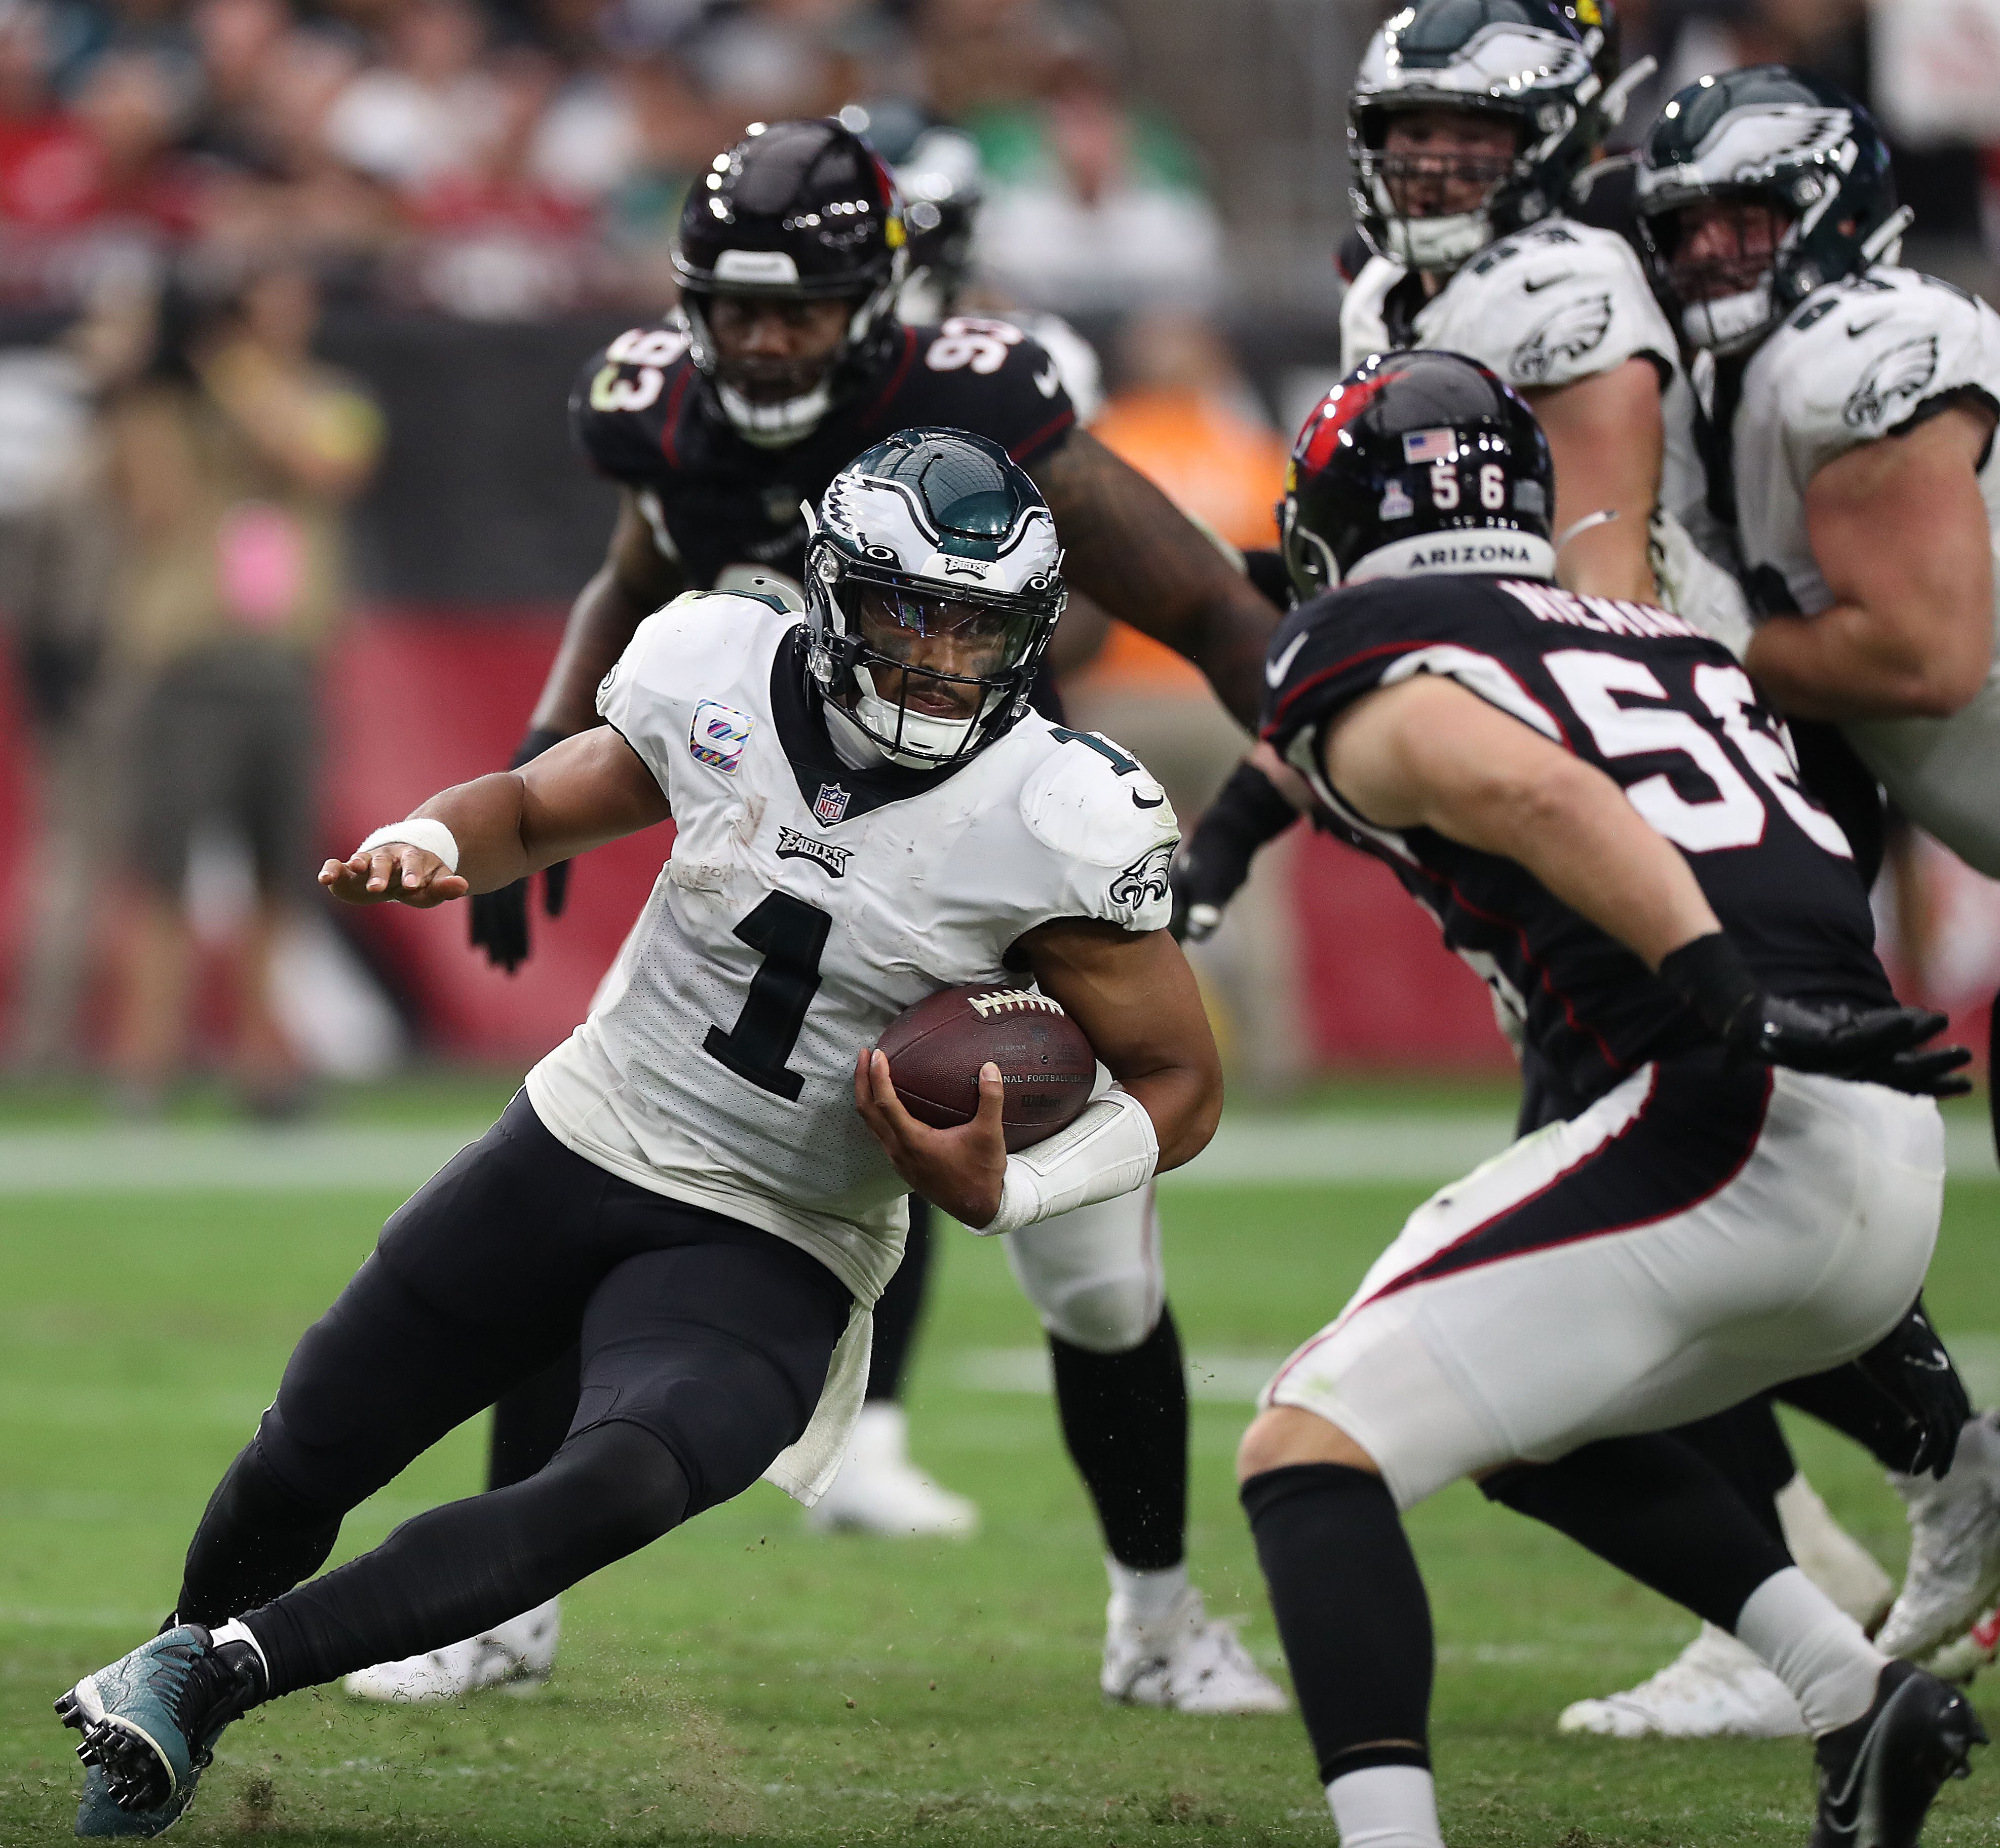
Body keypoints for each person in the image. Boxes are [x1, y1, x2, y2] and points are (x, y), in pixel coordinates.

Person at [55, 430, 1228, 1839]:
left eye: (976, 627)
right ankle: (157, 1690)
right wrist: (439, 843)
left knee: (614, 1480)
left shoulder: (1058, 811)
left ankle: (212, 1674)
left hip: (781, 1228)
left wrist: (1017, 1187)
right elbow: (537, 810)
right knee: (310, 1445)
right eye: (909, 611)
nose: (936, 657)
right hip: (582, 1133)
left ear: (1027, 635)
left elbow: (1179, 1080)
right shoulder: (717, 663)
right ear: (832, 591)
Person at [376, 116, 1285, 1714]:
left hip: (1000, 887)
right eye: (731, 308)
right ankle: (504, 1616)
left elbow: (1205, 596)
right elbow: (632, 565)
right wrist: (534, 761)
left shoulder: (975, 406)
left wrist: (1301, 775)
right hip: (784, 858)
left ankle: (1156, 1616)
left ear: (878, 299)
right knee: (582, 1179)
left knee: (1096, 1282)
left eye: (795, 307)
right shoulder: (670, 409)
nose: (762, 340)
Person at [1172, 0, 1964, 1739]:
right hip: (1638, 732)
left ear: (1547, 143)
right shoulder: (1400, 292)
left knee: (1624, 1174)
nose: (1433, 163)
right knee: (1642, 1192)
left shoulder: (1563, 291)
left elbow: (1575, 587)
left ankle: (1841, 1537)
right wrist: (1231, 832)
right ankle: (1875, 1520)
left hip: (1629, 747)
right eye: (1409, 132)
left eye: (1472, 133)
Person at [1244, 346, 1981, 1848]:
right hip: (1883, 1158)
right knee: (1513, 1420)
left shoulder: (1380, 644)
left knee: (1307, 1446)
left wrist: (1706, 981)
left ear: (1334, 523)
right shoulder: (1666, 640)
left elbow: (1532, 792)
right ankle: (1851, 1699)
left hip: (1727, 1115)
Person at [1631, 64, 2000, 1675]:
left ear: (1834, 213)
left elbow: (1918, 655)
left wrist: (1706, 647)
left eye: (1746, 218)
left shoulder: (1868, 350)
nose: (1714, 251)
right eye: (1686, 225)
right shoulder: (1747, 370)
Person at [100, 260, 382, 1115]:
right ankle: (145, 1069)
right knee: (162, 867)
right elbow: (147, 502)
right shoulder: (166, 403)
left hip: (283, 663)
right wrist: (146, 375)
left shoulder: (333, 400)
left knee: (276, 871)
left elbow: (324, 462)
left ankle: (264, 1066)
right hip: (187, 658)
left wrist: (234, 374)